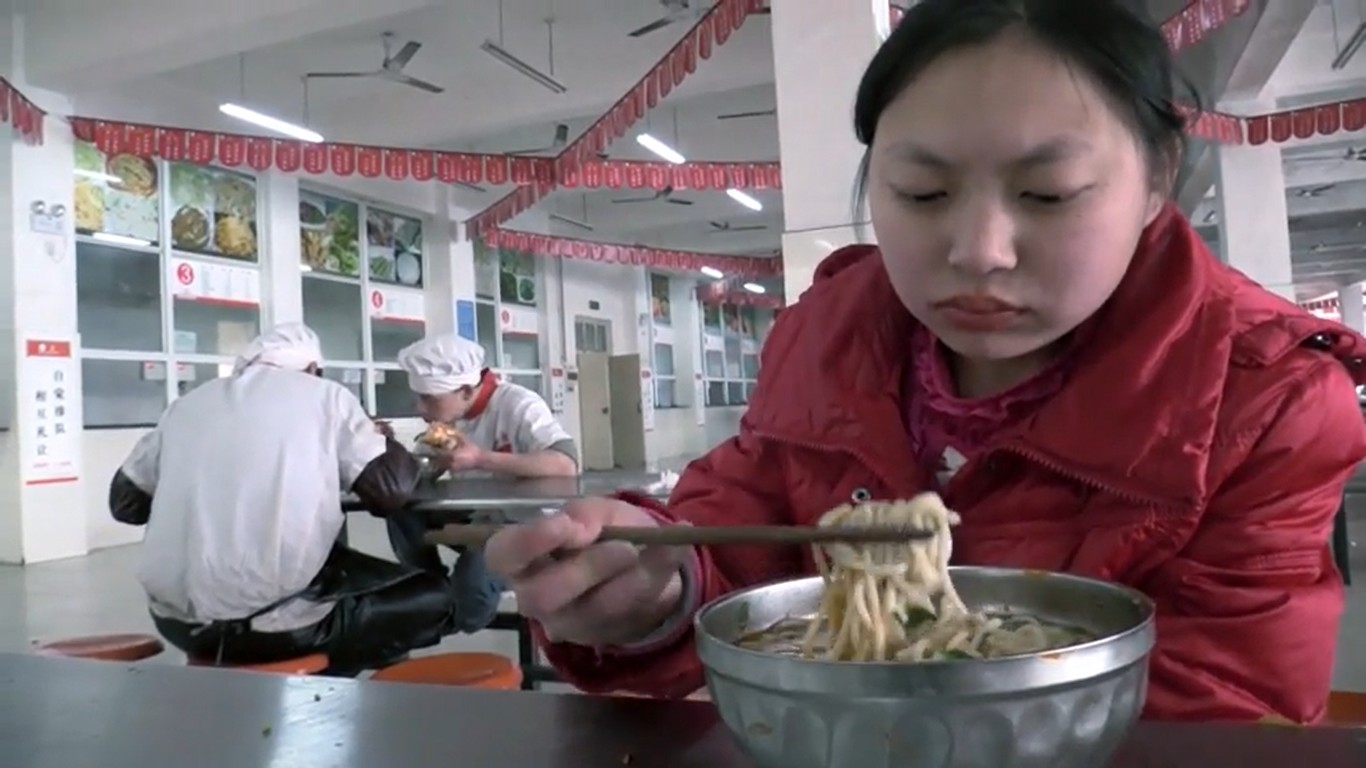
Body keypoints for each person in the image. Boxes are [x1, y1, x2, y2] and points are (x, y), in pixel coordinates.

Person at [484, 0, 1366, 724]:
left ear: (1157, 179)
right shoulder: (823, 336)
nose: (979, 251)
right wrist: (654, 594)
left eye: (1047, 194)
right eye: (922, 192)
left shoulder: (1265, 396)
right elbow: (735, 543)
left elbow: (1221, 709)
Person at [109, 323, 460, 673]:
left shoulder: (186, 405)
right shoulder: (326, 397)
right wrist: (377, 435)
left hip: (176, 624)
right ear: (313, 369)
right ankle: (331, 680)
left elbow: (126, 505)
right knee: (435, 595)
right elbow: (389, 493)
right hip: (273, 629)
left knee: (330, 565)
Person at [385, 333, 579, 633]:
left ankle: (453, 617)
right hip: (477, 514)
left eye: (429, 399)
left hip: (523, 523)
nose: (421, 409)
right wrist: (385, 447)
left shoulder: (518, 405)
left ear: (465, 391)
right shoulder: (448, 417)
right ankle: (427, 586)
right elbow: (420, 471)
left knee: (471, 588)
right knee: (398, 506)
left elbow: (565, 464)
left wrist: (481, 459)